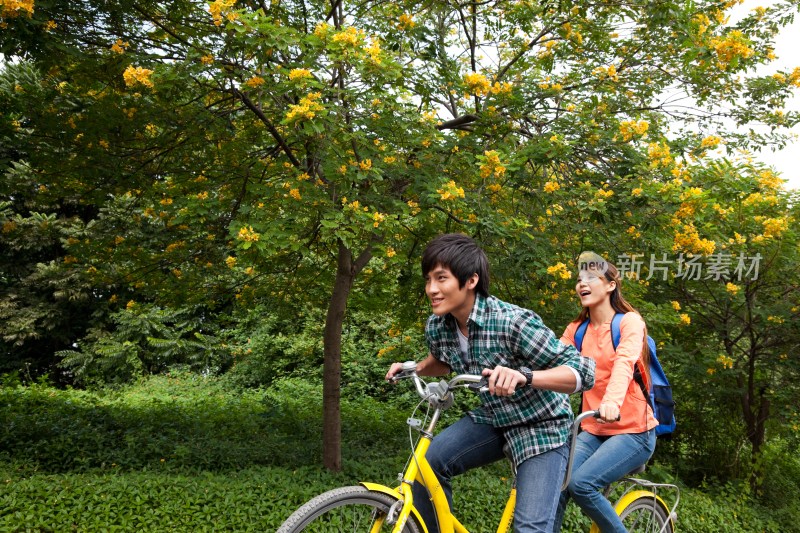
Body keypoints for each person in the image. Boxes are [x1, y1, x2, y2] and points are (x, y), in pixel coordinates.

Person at [385, 233, 595, 533]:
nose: (431, 289)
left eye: (441, 278)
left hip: (542, 427)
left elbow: (584, 371)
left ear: (470, 281)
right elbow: (444, 360)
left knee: (530, 528)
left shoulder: (513, 322)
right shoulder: (438, 325)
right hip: (494, 417)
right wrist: (415, 368)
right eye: (428, 279)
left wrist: (526, 376)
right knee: (426, 465)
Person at [553, 252, 658, 532]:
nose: (581, 284)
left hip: (634, 432)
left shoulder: (629, 322)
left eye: (590, 278)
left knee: (581, 484)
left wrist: (612, 402)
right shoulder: (576, 330)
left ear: (611, 285)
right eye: (578, 280)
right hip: (593, 429)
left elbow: (624, 363)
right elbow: (550, 362)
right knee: (558, 484)